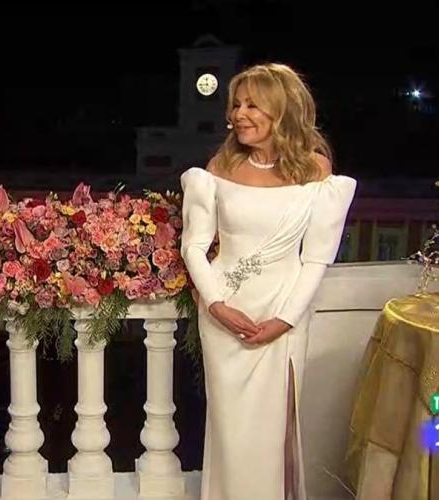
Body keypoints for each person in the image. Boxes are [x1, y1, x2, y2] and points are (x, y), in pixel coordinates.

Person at [180, 63, 356, 500]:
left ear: (283, 110)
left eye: (253, 105)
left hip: (283, 314)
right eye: (236, 105)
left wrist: (285, 319)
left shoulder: (316, 172)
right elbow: (194, 247)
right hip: (224, 316)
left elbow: (317, 258)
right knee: (231, 433)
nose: (239, 114)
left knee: (273, 433)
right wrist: (217, 304)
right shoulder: (218, 168)